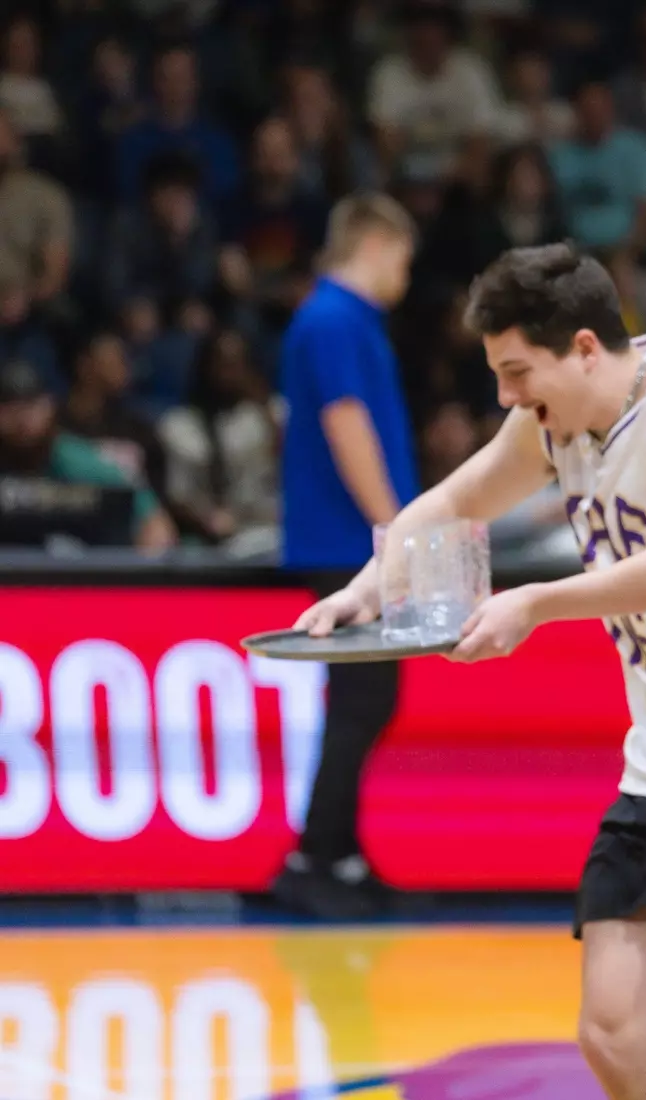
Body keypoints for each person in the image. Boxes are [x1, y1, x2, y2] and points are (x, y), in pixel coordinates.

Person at [295, 243, 646, 1100]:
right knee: (615, 1034)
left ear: (584, 348)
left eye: (517, 371)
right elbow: (453, 503)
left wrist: (534, 603)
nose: (505, 396)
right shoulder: (552, 426)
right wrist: (363, 589)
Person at [276, 192, 421, 919]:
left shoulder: (342, 320)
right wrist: (391, 530)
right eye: (402, 257)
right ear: (374, 244)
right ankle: (314, 857)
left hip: (351, 538)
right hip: (347, 542)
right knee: (362, 700)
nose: (405, 274)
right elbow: (345, 421)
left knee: (363, 701)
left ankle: (339, 852)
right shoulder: (333, 317)